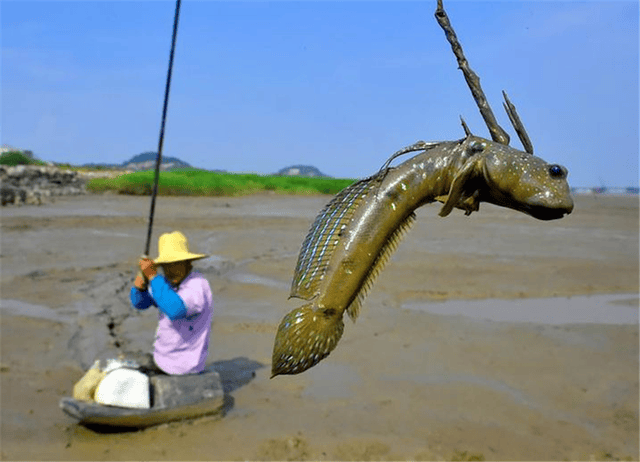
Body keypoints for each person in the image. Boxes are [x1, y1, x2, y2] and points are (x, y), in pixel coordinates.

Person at [130, 231, 213, 375]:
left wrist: (153, 277)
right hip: (163, 358)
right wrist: (139, 287)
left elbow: (176, 310)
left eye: (175, 264)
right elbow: (140, 304)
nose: (170, 270)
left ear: (188, 262)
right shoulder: (168, 284)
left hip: (183, 365)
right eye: (166, 265)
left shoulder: (197, 285)